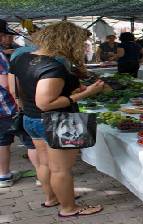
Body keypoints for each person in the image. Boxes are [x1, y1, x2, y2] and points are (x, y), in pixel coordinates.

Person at [10, 21, 106, 217]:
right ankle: (69, 208)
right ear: (67, 41)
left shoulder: (23, 58)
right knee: (61, 169)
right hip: (55, 121)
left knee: (45, 164)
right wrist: (87, 93)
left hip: (31, 118)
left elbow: (18, 90)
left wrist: (68, 90)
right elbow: (45, 102)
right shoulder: (53, 67)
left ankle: (52, 198)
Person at [0, 19, 38, 188]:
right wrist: (20, 101)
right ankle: (42, 175)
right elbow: (6, 84)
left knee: (2, 142)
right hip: (9, 107)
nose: (11, 40)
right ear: (1, 36)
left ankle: (4, 176)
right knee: (32, 141)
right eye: (8, 36)